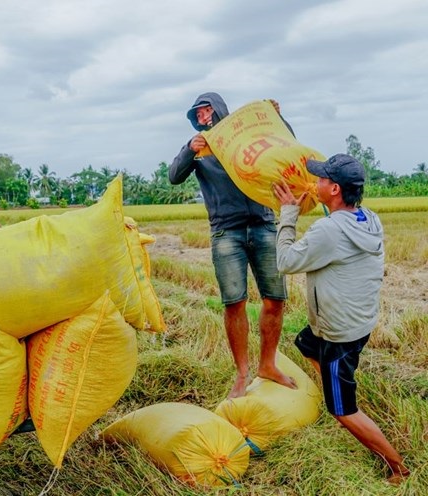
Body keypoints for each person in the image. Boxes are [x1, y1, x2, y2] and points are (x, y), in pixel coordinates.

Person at [273, 154, 410, 484]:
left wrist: (288, 214)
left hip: (340, 333)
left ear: (334, 188)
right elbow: (336, 226)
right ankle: (332, 388)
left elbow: (286, 261)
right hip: (357, 319)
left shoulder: (328, 231)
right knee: (305, 342)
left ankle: (398, 468)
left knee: (342, 409)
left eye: (321, 180)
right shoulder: (367, 218)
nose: (315, 183)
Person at [169, 92, 297, 398]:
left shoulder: (247, 137)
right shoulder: (200, 148)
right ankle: (242, 373)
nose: (202, 116)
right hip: (227, 232)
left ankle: (267, 364)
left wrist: (277, 119)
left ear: (220, 109)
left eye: (206, 110)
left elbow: (286, 144)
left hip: (264, 225)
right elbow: (174, 176)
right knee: (234, 302)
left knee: (275, 299)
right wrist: (189, 148)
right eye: (197, 114)